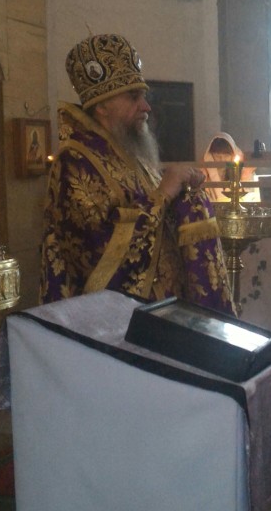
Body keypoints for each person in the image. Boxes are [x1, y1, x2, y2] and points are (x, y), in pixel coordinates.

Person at [40, 33, 233, 313]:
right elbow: (98, 256)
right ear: (102, 105)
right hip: (117, 320)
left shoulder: (130, 155)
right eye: (133, 97)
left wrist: (185, 198)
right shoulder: (75, 162)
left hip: (163, 310)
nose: (146, 106)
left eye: (143, 95)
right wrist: (164, 193)